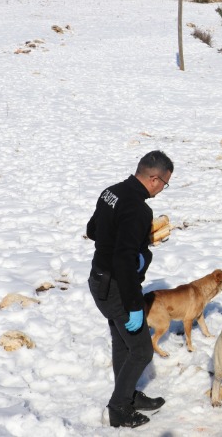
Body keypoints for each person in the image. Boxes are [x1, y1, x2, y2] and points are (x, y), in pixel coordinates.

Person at [86, 150, 173, 428]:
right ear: (155, 179)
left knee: (123, 343)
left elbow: (92, 229)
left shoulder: (110, 192)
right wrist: (135, 304)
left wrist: (134, 240)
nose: (162, 190)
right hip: (116, 286)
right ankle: (119, 408)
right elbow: (124, 260)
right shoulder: (139, 209)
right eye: (165, 184)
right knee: (141, 350)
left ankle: (126, 395)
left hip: (99, 279)